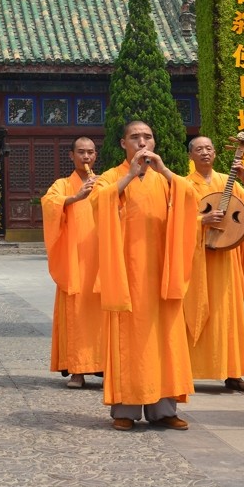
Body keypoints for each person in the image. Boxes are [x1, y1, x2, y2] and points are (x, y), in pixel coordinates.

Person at [92, 120, 199, 431]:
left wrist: (164, 170)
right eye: (135, 137)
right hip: (127, 274)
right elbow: (99, 203)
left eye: (148, 137)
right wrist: (129, 176)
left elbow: (190, 198)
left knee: (165, 340)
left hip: (161, 273)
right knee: (130, 341)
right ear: (123, 143)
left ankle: (163, 410)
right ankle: (125, 409)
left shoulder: (166, 179)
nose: (142, 142)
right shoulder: (111, 177)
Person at [182, 134, 244, 394]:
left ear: (216, 152)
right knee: (196, 310)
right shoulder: (185, 185)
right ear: (190, 155)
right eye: (199, 149)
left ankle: (232, 373)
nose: (205, 152)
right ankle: (187, 371)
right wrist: (202, 220)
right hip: (198, 259)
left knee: (228, 314)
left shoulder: (227, 181)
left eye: (209, 148)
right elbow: (177, 221)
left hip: (226, 258)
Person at [39, 137, 106, 389]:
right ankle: (77, 370)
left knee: (104, 314)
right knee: (76, 314)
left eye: (90, 152)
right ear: (71, 155)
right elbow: (49, 204)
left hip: (100, 260)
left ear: (95, 155)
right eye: (81, 152)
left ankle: (106, 366)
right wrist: (76, 197)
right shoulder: (63, 184)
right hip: (74, 260)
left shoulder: (104, 183)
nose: (86, 157)